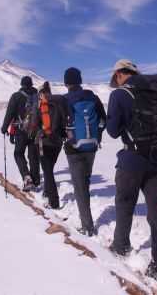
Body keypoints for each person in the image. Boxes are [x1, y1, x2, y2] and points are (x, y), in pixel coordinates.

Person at [106, 59, 157, 280]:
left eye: (116, 77)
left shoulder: (120, 95)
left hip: (132, 159)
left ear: (120, 74)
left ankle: (121, 245)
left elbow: (113, 131)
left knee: (124, 203)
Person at [63, 67, 107, 237]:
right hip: (92, 146)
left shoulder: (65, 99)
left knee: (79, 187)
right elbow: (103, 120)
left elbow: (60, 124)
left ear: (66, 82)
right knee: (85, 181)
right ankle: (87, 219)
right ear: (80, 80)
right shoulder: (93, 97)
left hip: (73, 148)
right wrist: (97, 136)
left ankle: (87, 227)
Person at [1, 76, 40, 192]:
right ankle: (36, 180)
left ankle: (27, 177)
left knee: (18, 153)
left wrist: (4, 128)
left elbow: (10, 114)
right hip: (35, 131)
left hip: (20, 131)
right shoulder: (38, 96)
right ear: (32, 84)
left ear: (21, 84)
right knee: (33, 156)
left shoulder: (16, 96)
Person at [35, 81, 68, 209]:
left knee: (47, 171)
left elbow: (35, 123)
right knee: (49, 168)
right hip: (58, 142)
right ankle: (47, 192)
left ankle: (53, 201)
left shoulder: (40, 106)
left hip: (44, 142)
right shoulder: (59, 103)